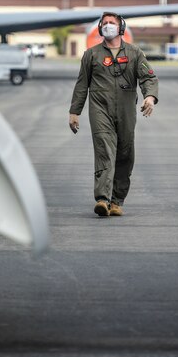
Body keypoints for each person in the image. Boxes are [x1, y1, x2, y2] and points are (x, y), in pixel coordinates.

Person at [68, 12, 158, 217]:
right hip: (100, 109)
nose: (108, 26)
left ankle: (117, 200)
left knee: (125, 154)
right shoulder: (91, 55)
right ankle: (102, 199)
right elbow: (82, 85)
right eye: (105, 23)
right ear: (100, 28)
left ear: (121, 27)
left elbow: (149, 78)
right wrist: (75, 112)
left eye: (112, 23)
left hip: (126, 110)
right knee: (105, 150)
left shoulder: (135, 53)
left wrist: (150, 97)